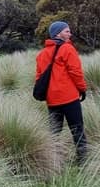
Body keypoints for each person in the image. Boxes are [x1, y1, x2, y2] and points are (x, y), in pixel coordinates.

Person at [35, 21, 88, 163]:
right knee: (78, 130)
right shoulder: (68, 49)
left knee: (54, 133)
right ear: (58, 33)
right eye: (67, 31)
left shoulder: (41, 54)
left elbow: (39, 77)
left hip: (52, 100)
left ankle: (51, 161)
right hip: (69, 98)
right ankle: (83, 162)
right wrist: (82, 89)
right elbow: (76, 72)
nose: (70, 34)